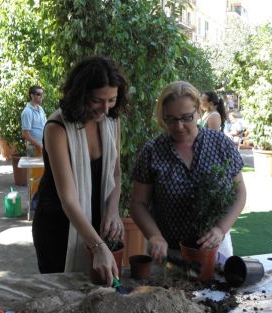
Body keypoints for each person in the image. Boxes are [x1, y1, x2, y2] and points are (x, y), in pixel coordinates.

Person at [32, 56, 129, 286]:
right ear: (81, 94)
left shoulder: (112, 121)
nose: (105, 109)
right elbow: (69, 199)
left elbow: (116, 173)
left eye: (112, 100)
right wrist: (97, 246)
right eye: (98, 100)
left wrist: (113, 211)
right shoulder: (57, 128)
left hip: (95, 219)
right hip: (58, 226)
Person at [129, 81, 246, 262]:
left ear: (199, 112)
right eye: (171, 119)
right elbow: (138, 203)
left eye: (186, 117)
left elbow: (240, 193)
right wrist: (154, 236)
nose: (179, 126)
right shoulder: (152, 151)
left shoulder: (220, 144)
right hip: (169, 253)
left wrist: (220, 229)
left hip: (215, 247)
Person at [21, 86, 47, 156]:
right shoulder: (27, 112)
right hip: (33, 148)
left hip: (42, 146)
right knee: (33, 167)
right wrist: (39, 145)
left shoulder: (41, 109)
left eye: (42, 94)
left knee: (42, 167)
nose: (41, 96)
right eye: (39, 94)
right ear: (32, 96)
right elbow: (25, 134)